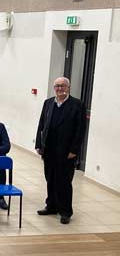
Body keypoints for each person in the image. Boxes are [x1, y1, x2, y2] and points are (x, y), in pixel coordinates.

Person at [35, 77, 87, 225]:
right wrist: (39, 145)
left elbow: (80, 130)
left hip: (66, 150)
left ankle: (65, 211)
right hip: (49, 149)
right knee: (50, 178)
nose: (60, 88)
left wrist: (75, 150)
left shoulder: (77, 105)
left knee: (64, 181)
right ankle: (51, 206)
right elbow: (41, 124)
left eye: (63, 86)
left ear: (68, 88)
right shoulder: (48, 103)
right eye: (57, 86)